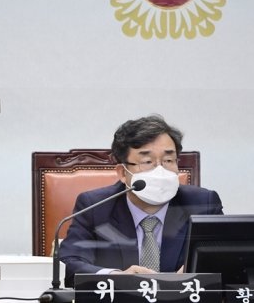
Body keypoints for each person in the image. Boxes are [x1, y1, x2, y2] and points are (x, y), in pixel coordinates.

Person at [59, 115, 223, 287]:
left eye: (168, 160)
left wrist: (198, 271)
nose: (160, 170)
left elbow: (227, 260)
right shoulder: (94, 207)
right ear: (123, 173)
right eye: (147, 161)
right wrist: (117, 277)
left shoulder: (203, 204)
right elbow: (69, 264)